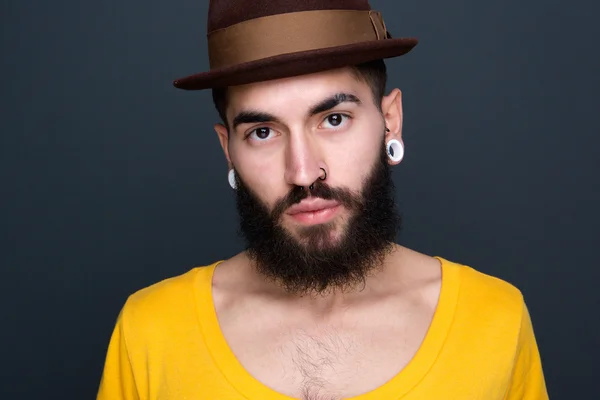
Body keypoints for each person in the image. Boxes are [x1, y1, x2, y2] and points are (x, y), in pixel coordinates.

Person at [97, 0, 548, 399]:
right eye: (262, 132)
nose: (303, 172)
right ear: (227, 149)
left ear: (390, 120)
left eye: (333, 119)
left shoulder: (493, 320)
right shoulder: (150, 332)